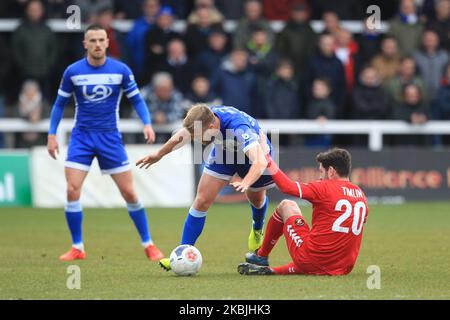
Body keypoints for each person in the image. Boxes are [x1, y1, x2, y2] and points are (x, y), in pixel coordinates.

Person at [47, 24, 164, 262]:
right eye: (93, 40)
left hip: (110, 137)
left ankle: (148, 244)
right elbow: (59, 104)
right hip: (81, 137)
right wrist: (51, 134)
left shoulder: (120, 70)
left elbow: (138, 100)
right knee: (72, 190)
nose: (98, 44)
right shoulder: (73, 71)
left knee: (129, 193)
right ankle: (77, 247)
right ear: (85, 44)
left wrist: (147, 123)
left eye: (101, 40)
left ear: (108, 43)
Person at [136, 104, 274, 271]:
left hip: (256, 157)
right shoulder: (203, 118)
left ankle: (257, 227)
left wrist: (245, 182)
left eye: (197, 135)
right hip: (225, 153)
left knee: (257, 200)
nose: (195, 138)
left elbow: (260, 162)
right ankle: (181, 253)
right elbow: (184, 134)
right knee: (201, 200)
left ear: (211, 127)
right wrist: (158, 154)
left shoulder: (239, 127)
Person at [236, 148, 369, 276]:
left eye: (321, 172)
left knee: (287, 205)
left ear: (331, 171)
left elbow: (287, 187)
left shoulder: (325, 187)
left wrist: (267, 158)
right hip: (344, 267)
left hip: (312, 259)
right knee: (317, 242)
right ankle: (275, 270)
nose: (320, 177)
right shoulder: (361, 195)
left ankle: (261, 256)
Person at [413, 30, 449, 100]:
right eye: (427, 40)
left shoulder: (445, 56)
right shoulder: (416, 56)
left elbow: (447, 75)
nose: (430, 42)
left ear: (437, 40)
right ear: (423, 40)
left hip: (440, 94)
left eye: (432, 40)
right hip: (421, 95)